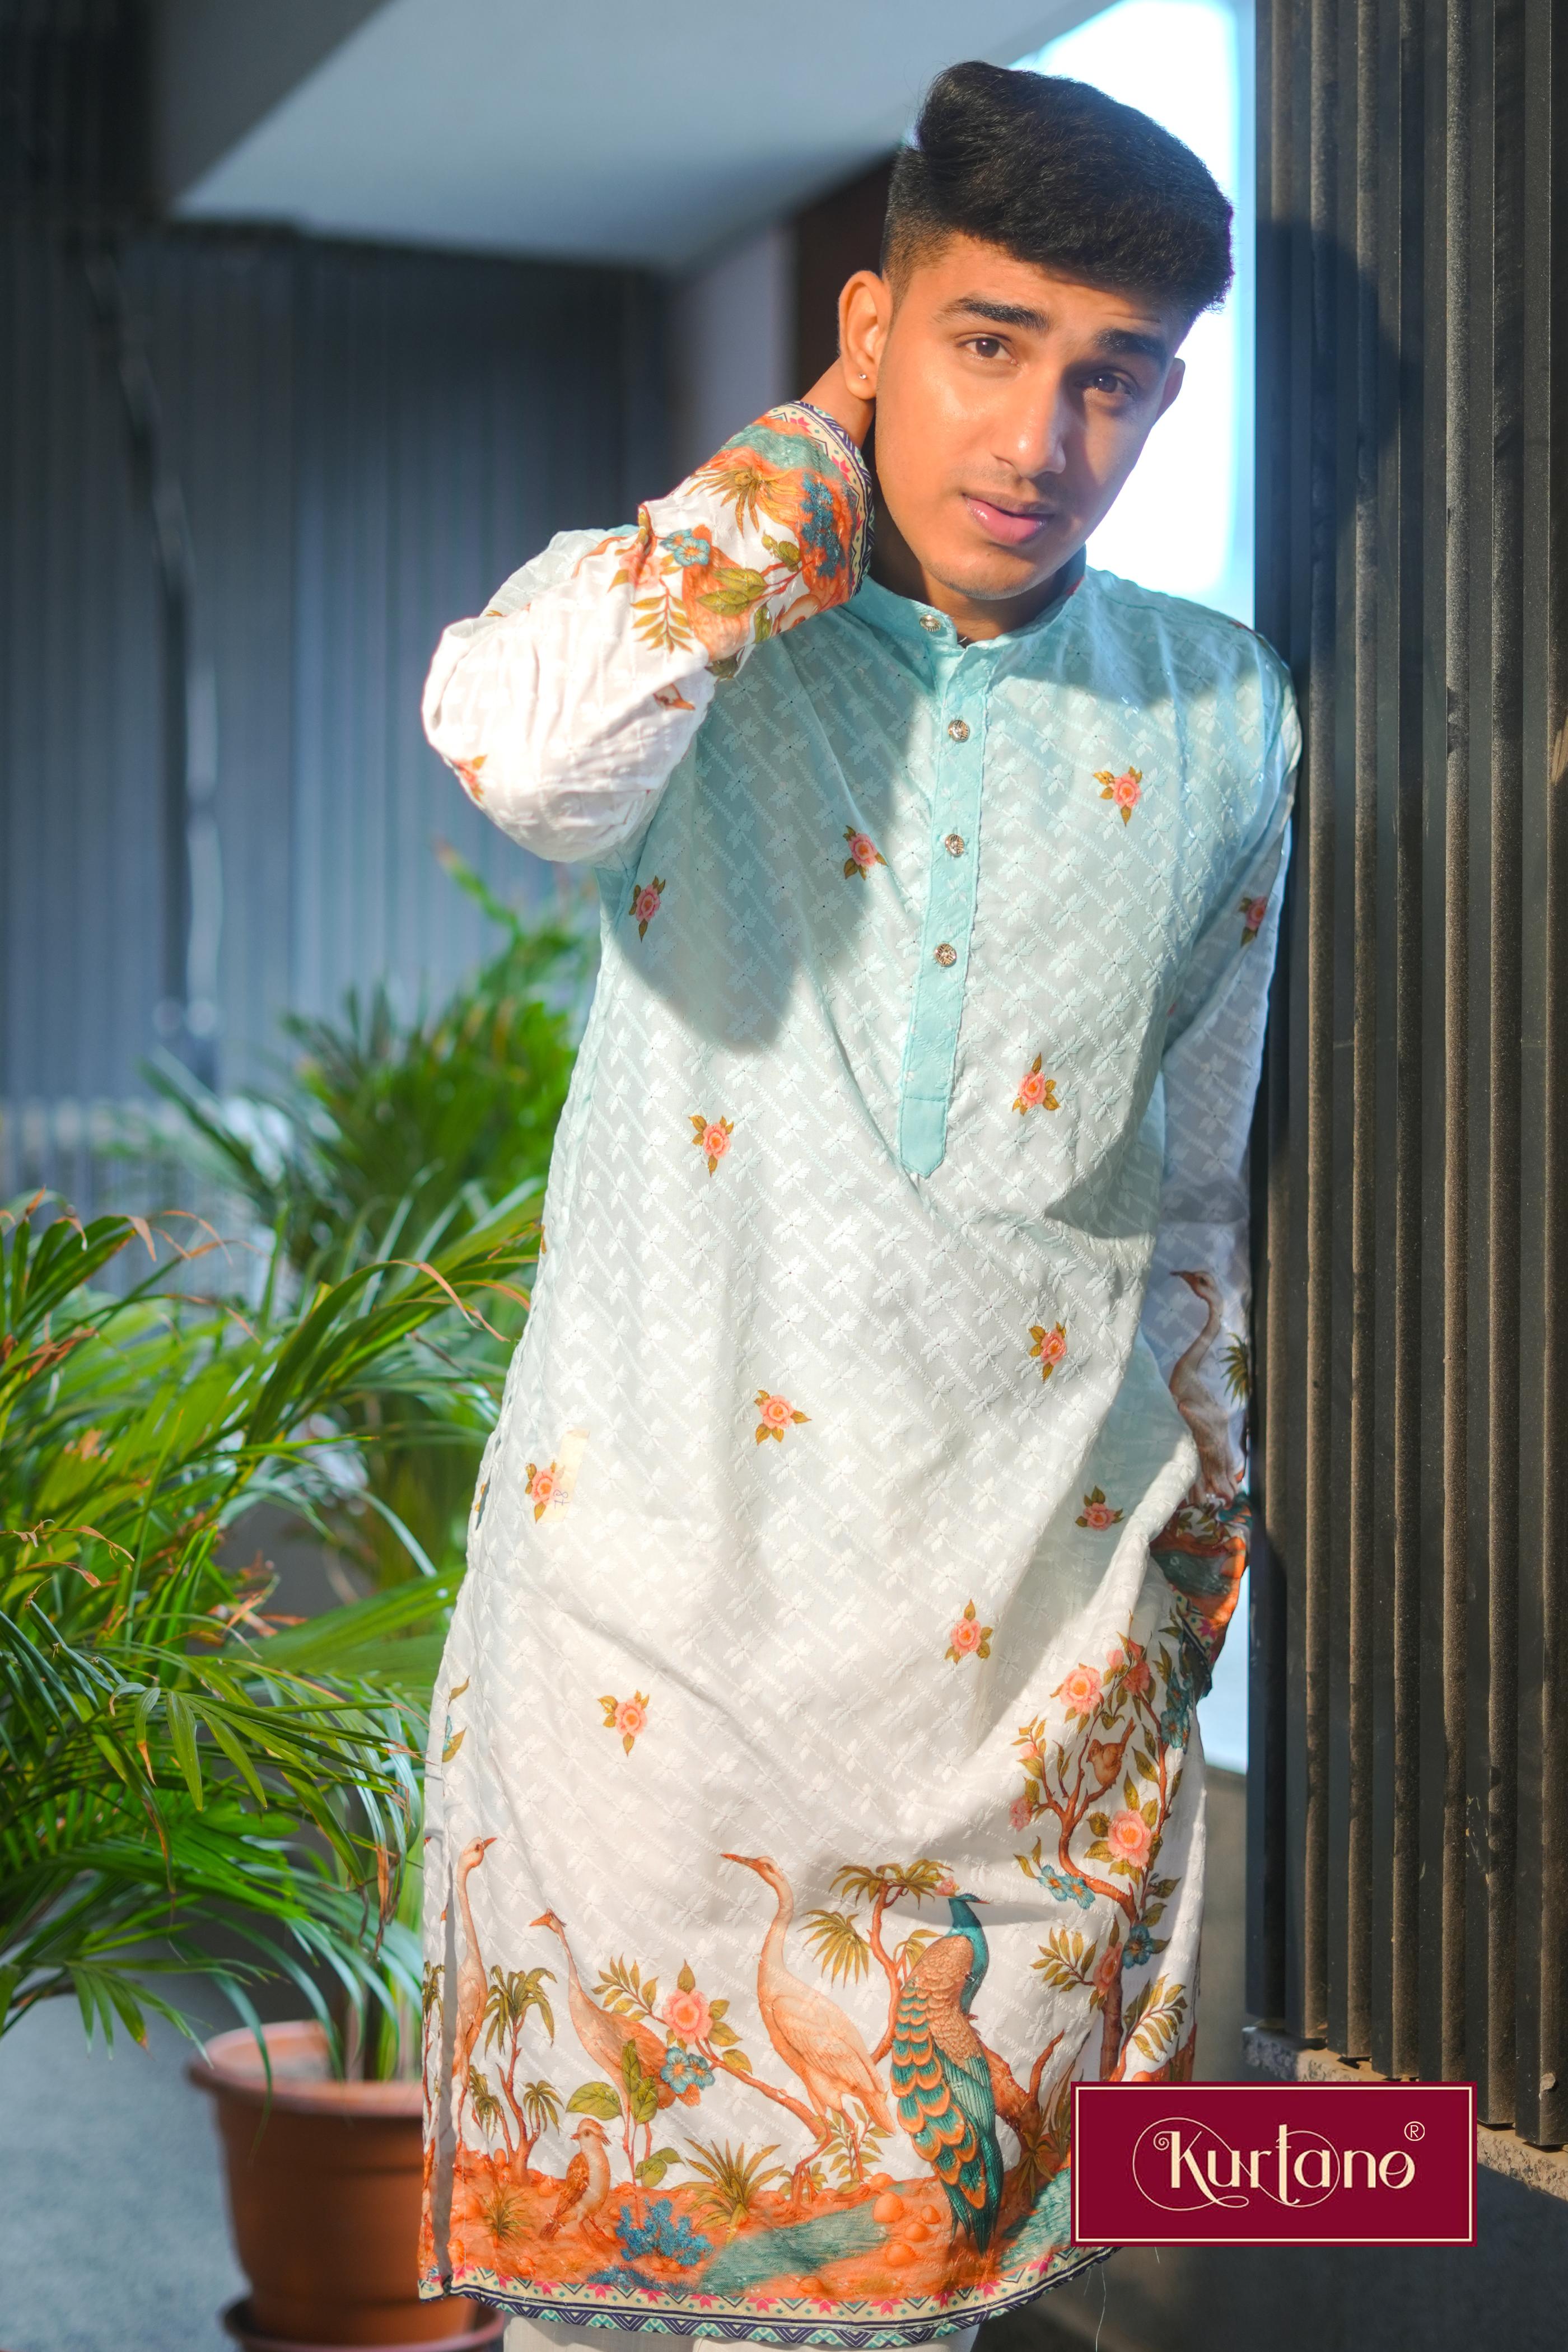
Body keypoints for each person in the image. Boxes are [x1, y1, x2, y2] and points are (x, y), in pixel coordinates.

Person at [417, 60, 1298, 2352]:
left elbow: (1193, 1190)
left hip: (1013, 1678)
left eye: (1116, 380)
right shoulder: (700, 633)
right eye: (988, 343)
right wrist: (793, 471)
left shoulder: (1222, 711)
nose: (1044, 439)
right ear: (873, 325)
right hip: (645, 1664)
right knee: (611, 2310)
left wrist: (1194, 1558)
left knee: (941, 2303)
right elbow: (523, 754)